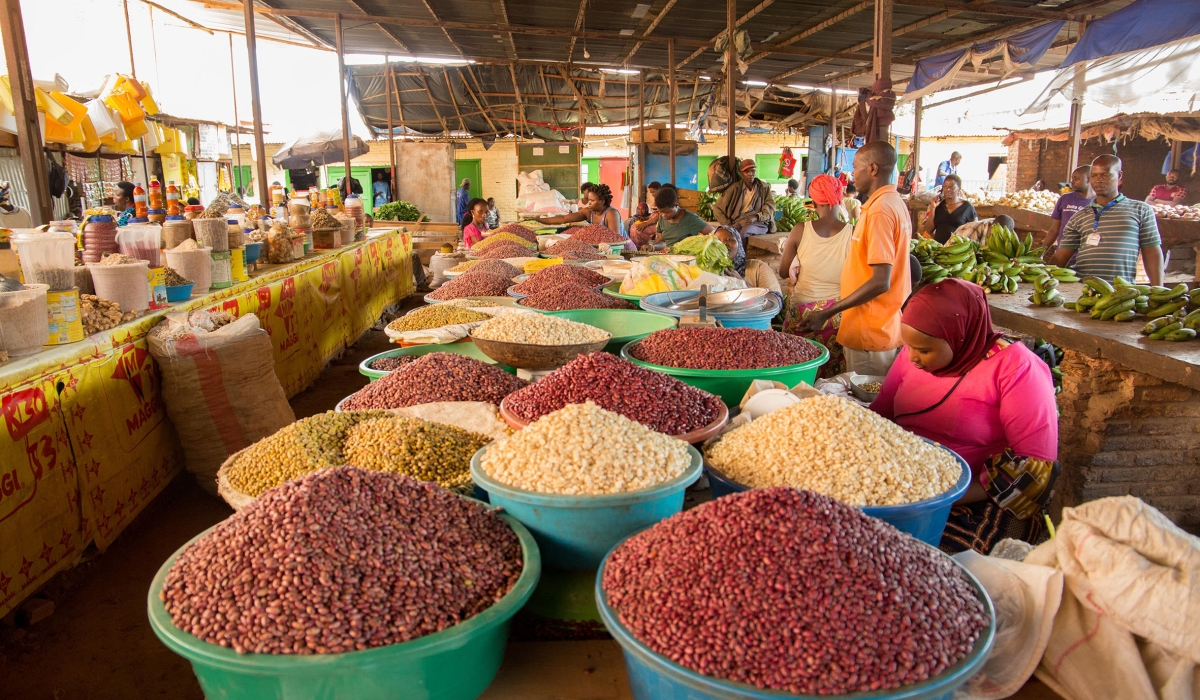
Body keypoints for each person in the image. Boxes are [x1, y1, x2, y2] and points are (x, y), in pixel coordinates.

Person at [871, 279, 1058, 554]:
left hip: (979, 499)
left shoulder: (1016, 368)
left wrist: (941, 496)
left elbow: (1034, 469)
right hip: (904, 487)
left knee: (931, 561)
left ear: (960, 336)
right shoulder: (913, 355)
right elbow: (880, 415)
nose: (912, 358)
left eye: (924, 350)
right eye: (908, 346)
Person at [799, 141, 911, 376]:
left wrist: (827, 312)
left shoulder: (880, 211)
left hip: (869, 329)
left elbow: (881, 280)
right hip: (880, 324)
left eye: (856, 167)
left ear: (872, 169)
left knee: (866, 403)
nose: (851, 175)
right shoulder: (893, 204)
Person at [779, 174, 854, 377]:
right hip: (837, 316)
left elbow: (783, 271)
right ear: (840, 200)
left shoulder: (800, 230)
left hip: (803, 315)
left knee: (798, 373)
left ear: (813, 203)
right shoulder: (853, 233)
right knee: (832, 380)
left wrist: (798, 263)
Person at [1048, 155, 1163, 285]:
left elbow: (1152, 253)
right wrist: (1041, 274)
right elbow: (1061, 257)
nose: (1098, 180)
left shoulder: (1141, 210)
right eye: (1094, 175)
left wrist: (1158, 290)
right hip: (1082, 291)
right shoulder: (1079, 217)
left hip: (1122, 292)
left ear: (1119, 175)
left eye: (1105, 175)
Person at [633, 186, 715, 249]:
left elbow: (713, 232)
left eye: (667, 212)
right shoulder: (662, 218)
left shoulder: (691, 219)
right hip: (668, 257)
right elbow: (662, 241)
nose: (664, 215)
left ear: (676, 205)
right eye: (660, 212)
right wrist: (652, 247)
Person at [713, 159, 776, 240]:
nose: (750, 174)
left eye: (753, 171)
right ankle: (732, 252)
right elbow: (717, 208)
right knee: (727, 234)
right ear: (741, 173)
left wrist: (756, 217)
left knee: (744, 233)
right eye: (747, 171)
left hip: (758, 223)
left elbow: (770, 210)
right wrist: (728, 224)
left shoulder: (764, 188)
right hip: (739, 221)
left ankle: (741, 253)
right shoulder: (734, 189)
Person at [532, 183, 625, 235]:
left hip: (622, 251)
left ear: (602, 201)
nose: (589, 203)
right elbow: (564, 219)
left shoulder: (611, 213)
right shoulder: (589, 212)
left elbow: (616, 239)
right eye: (589, 200)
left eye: (592, 200)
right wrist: (538, 220)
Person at [1042, 165, 1092, 255]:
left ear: (1089, 179)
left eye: (1076, 178)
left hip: (1085, 258)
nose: (1072, 181)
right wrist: (1041, 253)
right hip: (1062, 255)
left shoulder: (1098, 203)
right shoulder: (1065, 199)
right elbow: (1054, 230)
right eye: (1072, 178)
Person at [919, 174, 977, 244]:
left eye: (951, 187)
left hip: (958, 250)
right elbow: (929, 229)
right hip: (940, 250)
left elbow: (975, 230)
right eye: (945, 187)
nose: (947, 190)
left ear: (959, 188)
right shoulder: (938, 206)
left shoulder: (967, 207)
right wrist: (933, 208)